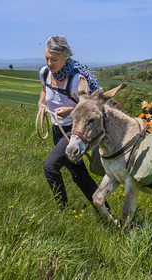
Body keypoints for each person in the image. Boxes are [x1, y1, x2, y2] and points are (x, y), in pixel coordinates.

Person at [38, 35, 105, 209]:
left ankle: (62, 208)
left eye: (54, 59)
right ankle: (104, 210)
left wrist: (69, 111)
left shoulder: (76, 79)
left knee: (50, 166)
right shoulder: (45, 72)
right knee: (78, 174)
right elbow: (44, 90)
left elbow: (90, 107)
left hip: (75, 130)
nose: (50, 63)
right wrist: (41, 103)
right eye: (47, 58)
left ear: (65, 57)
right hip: (56, 128)